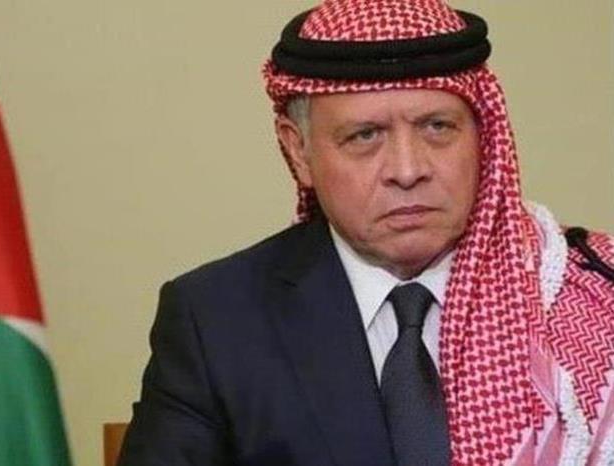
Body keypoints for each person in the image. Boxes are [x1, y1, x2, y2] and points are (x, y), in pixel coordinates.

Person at [118, 1, 614, 465]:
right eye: (365, 136)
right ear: (298, 151)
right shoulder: (216, 319)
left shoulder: (591, 295)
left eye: (438, 127)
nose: (408, 170)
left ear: (483, 135)